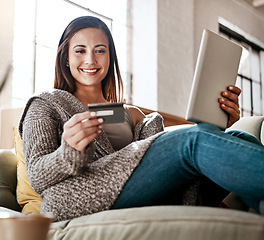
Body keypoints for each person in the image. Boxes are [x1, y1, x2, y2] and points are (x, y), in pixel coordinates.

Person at [18, 16, 264, 222]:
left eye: (100, 50)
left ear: (110, 57)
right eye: (80, 50)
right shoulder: (46, 104)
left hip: (140, 190)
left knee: (241, 137)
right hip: (76, 196)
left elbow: (167, 160)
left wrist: (220, 121)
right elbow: (38, 177)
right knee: (193, 140)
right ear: (66, 58)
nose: (90, 60)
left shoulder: (131, 113)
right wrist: (68, 152)